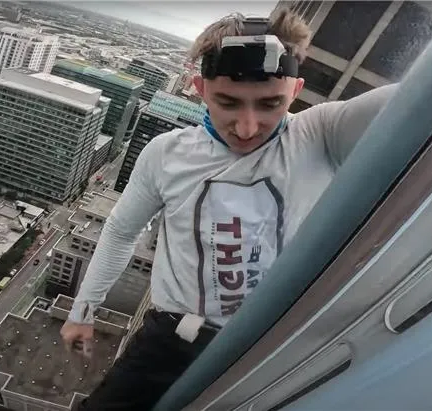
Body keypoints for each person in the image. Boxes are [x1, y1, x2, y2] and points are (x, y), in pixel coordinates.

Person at [61, 8, 397, 411]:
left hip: (268, 349)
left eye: (270, 103)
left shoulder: (320, 134)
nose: (248, 127)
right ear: (199, 89)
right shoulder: (167, 155)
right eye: (228, 102)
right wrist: (82, 310)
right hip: (170, 343)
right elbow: (120, 232)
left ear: (295, 91)